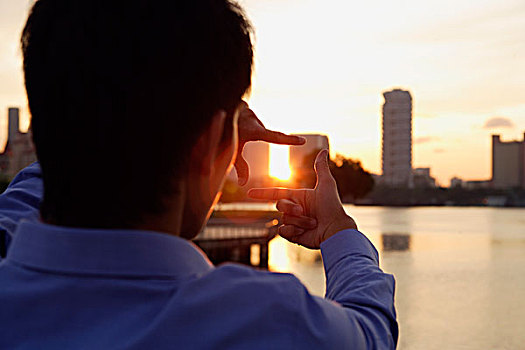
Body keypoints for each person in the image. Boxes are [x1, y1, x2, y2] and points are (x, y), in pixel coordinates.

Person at [0, 0, 398, 348]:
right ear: (207, 145)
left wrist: (79, 132)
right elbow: (370, 328)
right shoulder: (266, 323)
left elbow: (26, 198)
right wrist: (338, 231)